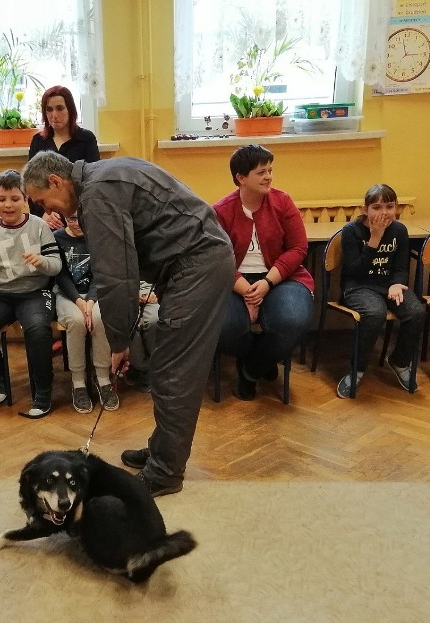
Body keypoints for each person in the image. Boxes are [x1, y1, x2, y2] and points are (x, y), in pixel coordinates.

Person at [22, 151, 234, 496]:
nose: (49, 212)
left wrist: (118, 344)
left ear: (57, 182)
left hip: (198, 265)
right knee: (169, 365)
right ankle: (163, 451)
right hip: (196, 262)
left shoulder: (98, 194)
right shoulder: (104, 174)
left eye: (44, 201)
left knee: (173, 372)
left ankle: (165, 472)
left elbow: (116, 277)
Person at [212, 145, 314, 401]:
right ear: (241, 178)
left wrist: (268, 282)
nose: (269, 176)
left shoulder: (283, 201)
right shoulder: (221, 211)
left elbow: (299, 248)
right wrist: (244, 288)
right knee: (224, 327)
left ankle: (250, 370)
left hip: (280, 277)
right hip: (233, 282)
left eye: (270, 170)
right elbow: (215, 259)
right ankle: (263, 359)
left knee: (292, 321)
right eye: (261, 172)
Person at [0, 169, 62, 418]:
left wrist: (42, 261)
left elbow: (56, 265)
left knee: (38, 328)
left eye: (14, 199)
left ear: (25, 199)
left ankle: (42, 391)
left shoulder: (39, 226)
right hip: (3, 294)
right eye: (1, 199)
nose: (8, 205)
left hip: (35, 292)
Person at [336, 183, 424, 398]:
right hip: (358, 287)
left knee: (416, 312)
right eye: (376, 207)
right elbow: (354, 272)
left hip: (389, 286)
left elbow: (402, 267)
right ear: (365, 210)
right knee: (374, 314)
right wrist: (374, 238)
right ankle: (357, 369)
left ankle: (399, 362)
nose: (384, 213)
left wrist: (396, 283)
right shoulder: (351, 231)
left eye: (389, 206)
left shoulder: (399, 230)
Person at [53, 214, 118, 413]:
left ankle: (103, 378)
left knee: (99, 318)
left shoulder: (98, 236)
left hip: (95, 294)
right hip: (68, 294)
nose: (78, 224)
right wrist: (80, 302)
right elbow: (61, 276)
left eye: (82, 218)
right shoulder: (57, 238)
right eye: (72, 219)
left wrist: (90, 301)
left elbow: (100, 274)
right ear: (63, 218)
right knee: (76, 320)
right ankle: (78, 382)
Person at [28, 86, 100, 230]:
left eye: (60, 108)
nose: (54, 115)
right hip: (49, 219)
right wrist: (43, 214)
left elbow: (93, 181)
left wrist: (76, 213)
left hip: (79, 218)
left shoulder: (86, 139)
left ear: (70, 111)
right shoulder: (38, 141)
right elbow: (32, 183)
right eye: (49, 109)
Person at [123, 282, 158, 394]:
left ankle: (153, 369)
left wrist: (158, 293)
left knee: (155, 321)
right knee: (129, 322)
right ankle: (138, 366)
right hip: (126, 295)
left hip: (154, 293)